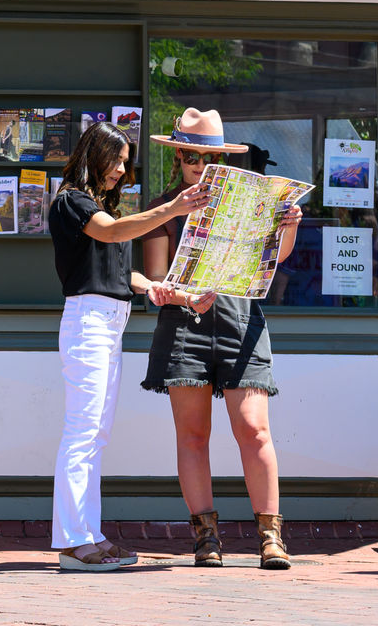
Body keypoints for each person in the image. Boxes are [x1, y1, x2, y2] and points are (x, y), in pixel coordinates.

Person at [138, 107, 302, 570]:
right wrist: (175, 292)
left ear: (223, 159)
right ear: (177, 158)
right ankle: (205, 538)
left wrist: (289, 224)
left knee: (254, 429)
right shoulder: (165, 206)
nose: (198, 163)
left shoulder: (250, 202)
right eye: (189, 154)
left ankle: (271, 537)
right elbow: (154, 279)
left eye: (207, 156)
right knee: (193, 435)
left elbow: (277, 261)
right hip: (184, 325)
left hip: (239, 321)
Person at [49, 120, 210, 573]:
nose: (122, 170)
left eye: (125, 163)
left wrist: (168, 292)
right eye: (116, 161)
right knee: (82, 432)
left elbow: (122, 274)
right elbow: (113, 234)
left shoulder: (102, 206)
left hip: (108, 321)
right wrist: (173, 209)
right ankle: (74, 542)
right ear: (94, 155)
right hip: (88, 323)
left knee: (95, 434)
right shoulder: (72, 202)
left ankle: (90, 535)